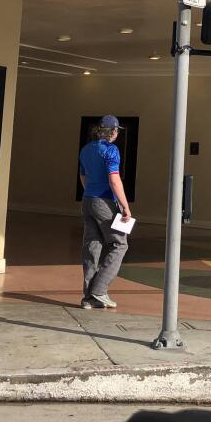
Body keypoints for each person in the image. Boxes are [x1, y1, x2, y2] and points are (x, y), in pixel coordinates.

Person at [78, 115, 132, 309]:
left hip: (88, 200)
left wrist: (90, 194)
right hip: (105, 201)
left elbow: (83, 176)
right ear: (113, 132)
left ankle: (88, 298)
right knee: (119, 244)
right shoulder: (111, 150)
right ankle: (99, 290)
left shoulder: (86, 150)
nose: (117, 134)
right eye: (117, 131)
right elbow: (114, 180)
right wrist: (125, 206)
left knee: (92, 246)